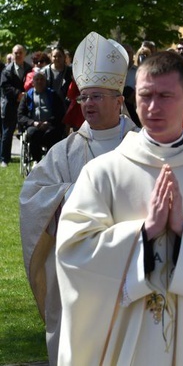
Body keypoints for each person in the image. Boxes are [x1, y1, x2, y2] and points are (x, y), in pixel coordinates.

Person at [55, 51, 183, 365]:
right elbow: (73, 251)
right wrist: (145, 233)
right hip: (122, 338)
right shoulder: (102, 173)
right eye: (145, 95)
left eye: (165, 96)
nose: (153, 107)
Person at [19, 32, 137, 364]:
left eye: (97, 97)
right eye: (83, 98)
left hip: (130, 266)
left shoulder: (143, 147)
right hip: (76, 268)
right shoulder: (65, 151)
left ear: (118, 100)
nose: (88, 104)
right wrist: (72, 193)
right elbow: (32, 197)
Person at [18, 71, 65, 162]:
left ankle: (50, 161)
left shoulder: (53, 95)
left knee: (53, 133)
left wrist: (49, 122)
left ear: (46, 81)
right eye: (37, 79)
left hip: (50, 125)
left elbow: (60, 113)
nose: (39, 81)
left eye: (42, 79)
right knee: (32, 133)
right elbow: (20, 115)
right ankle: (37, 160)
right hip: (34, 125)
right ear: (33, 82)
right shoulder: (27, 96)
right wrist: (33, 123)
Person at [1, 44, 32, 167]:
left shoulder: (29, 69)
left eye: (20, 53)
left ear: (24, 54)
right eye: (15, 53)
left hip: (25, 106)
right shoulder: (7, 70)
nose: (18, 55)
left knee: (26, 131)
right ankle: (4, 159)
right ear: (12, 54)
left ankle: (28, 157)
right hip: (10, 105)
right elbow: (5, 87)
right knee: (7, 133)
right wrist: (18, 94)